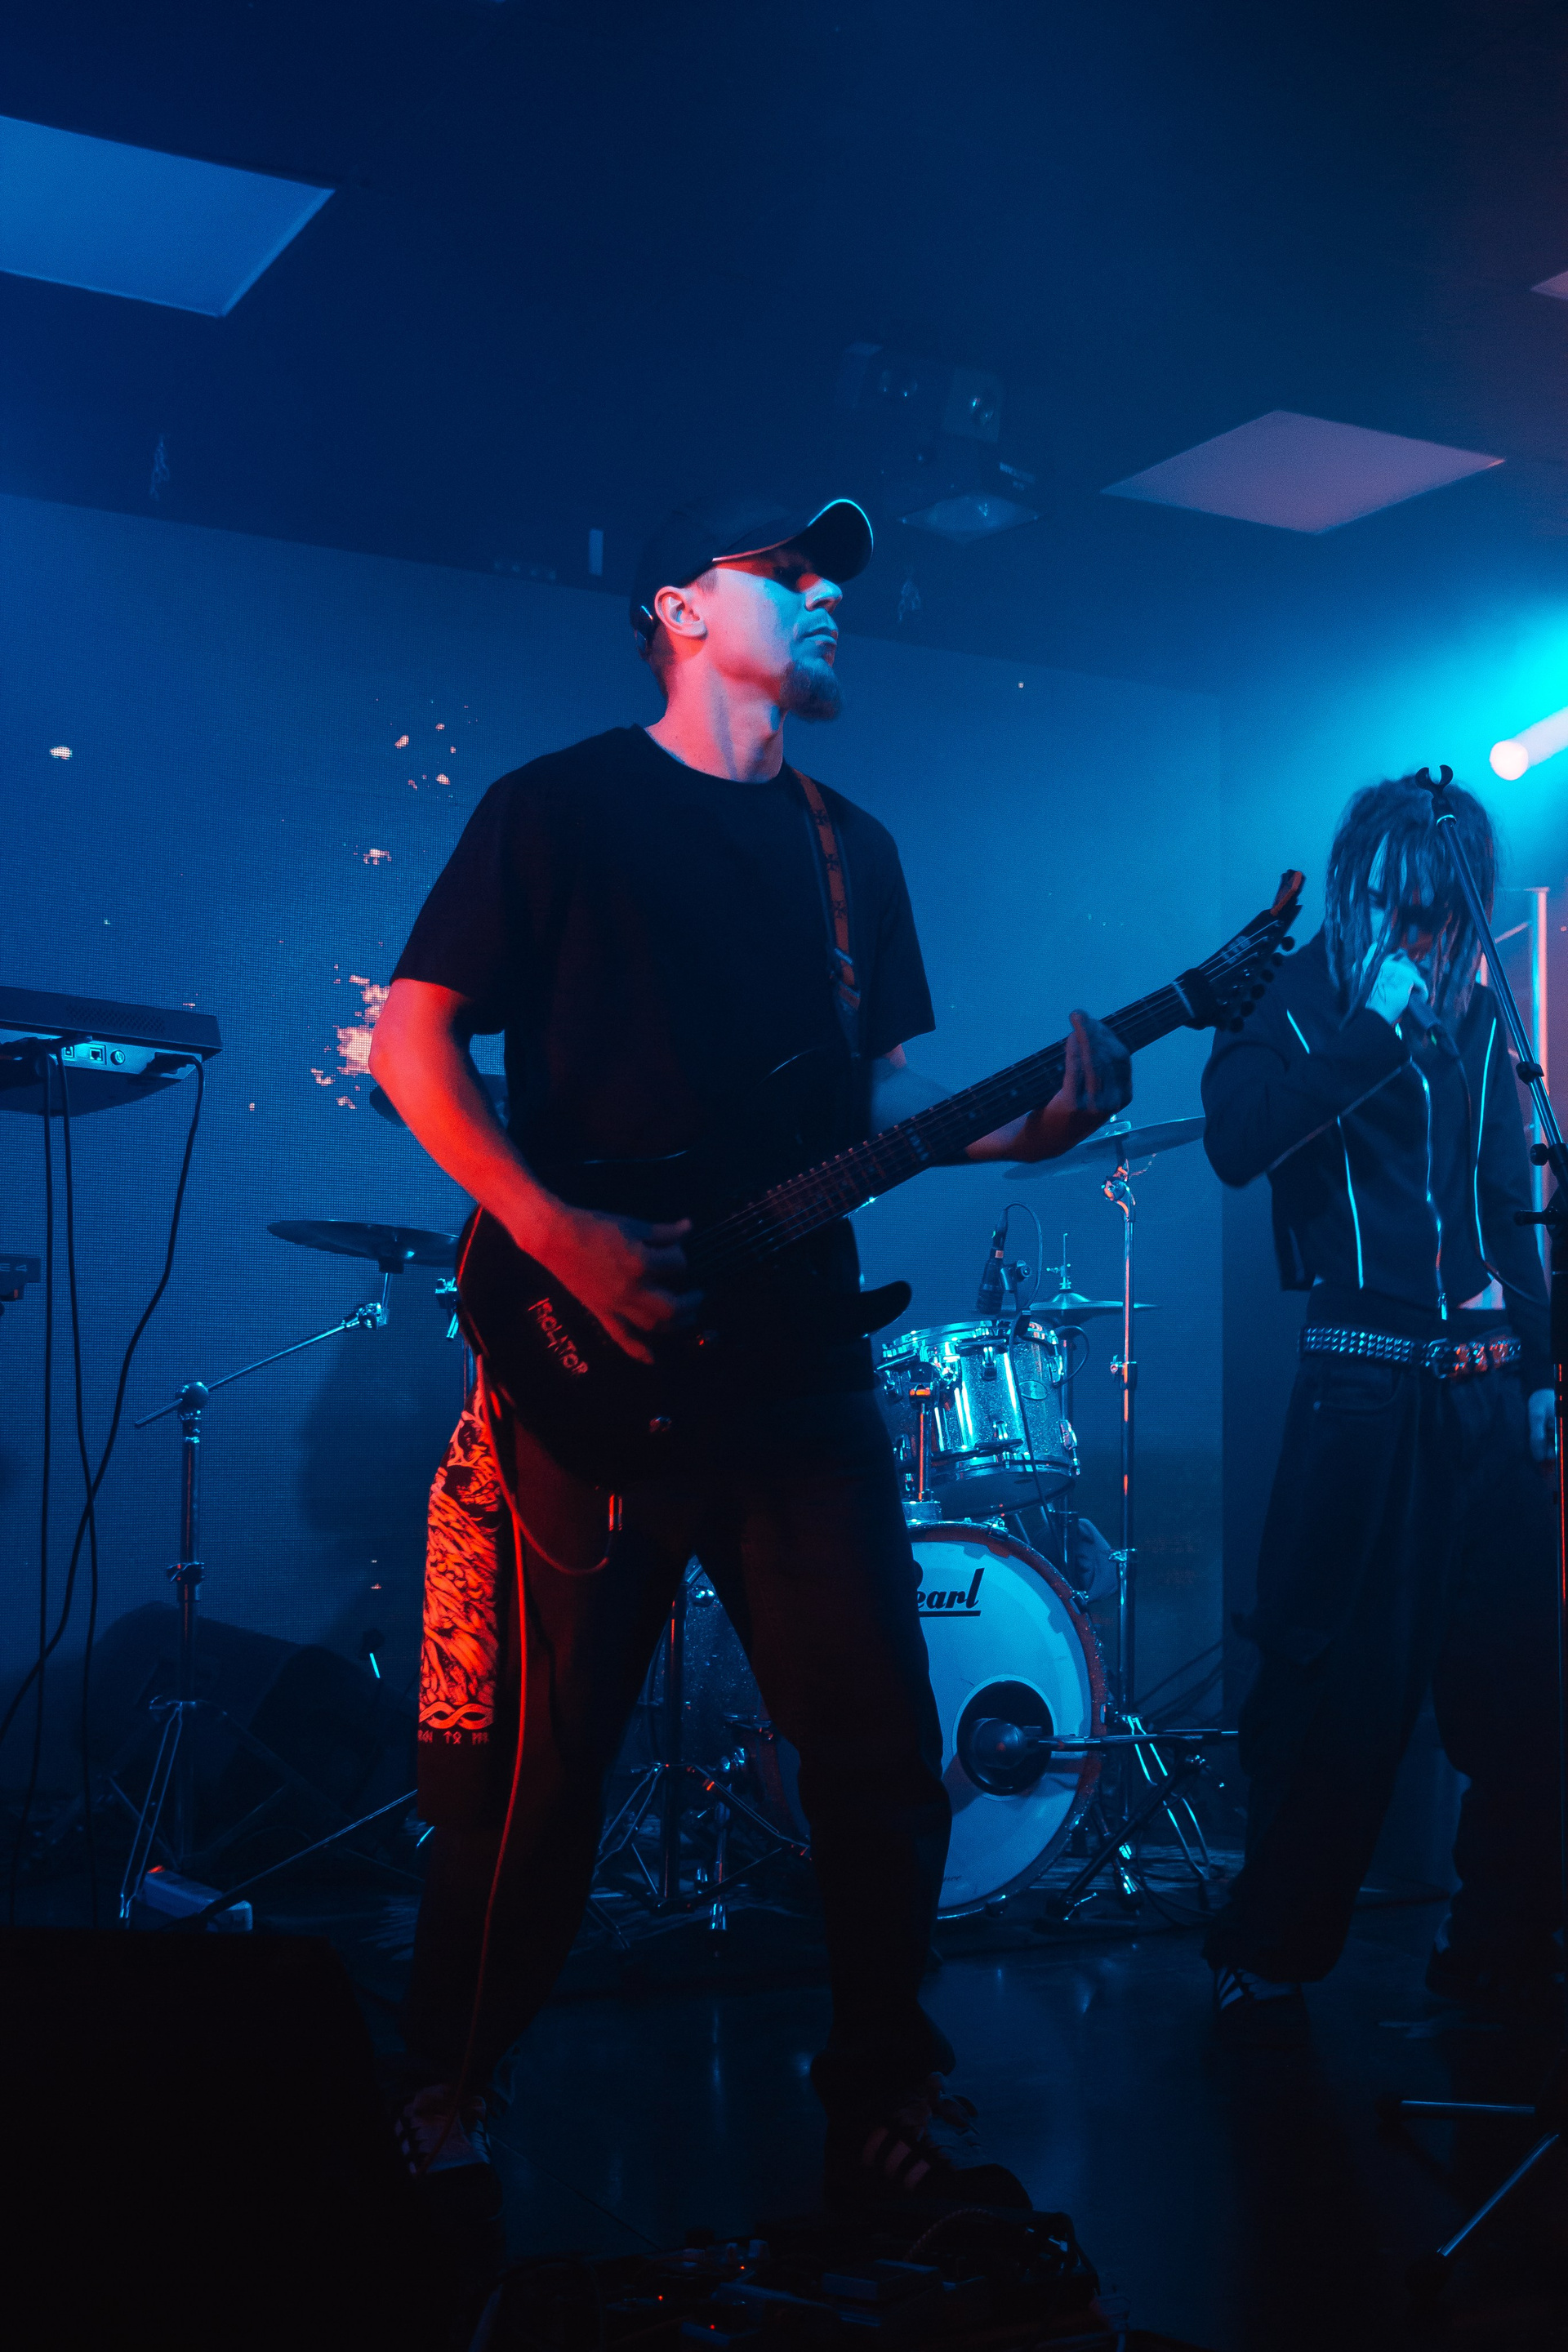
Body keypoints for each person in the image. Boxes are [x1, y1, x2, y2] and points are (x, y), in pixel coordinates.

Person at [368, 490, 1133, 2203]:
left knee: (880, 1762)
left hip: (797, 1370)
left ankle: (884, 2098)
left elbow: (887, 1103)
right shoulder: (557, 808)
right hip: (591, 1359)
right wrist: (560, 1231)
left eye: (834, 578)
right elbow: (414, 1043)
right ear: (678, 607)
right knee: (544, 1774)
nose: (825, 597)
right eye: (785, 574)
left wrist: (1047, 1121)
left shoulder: (855, 854)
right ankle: (447, 2082)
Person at [1200, 772, 1561, 2048]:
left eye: (1445, 915)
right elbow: (1236, 1142)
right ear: (1361, 891)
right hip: (1360, 1384)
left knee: (1526, 1692)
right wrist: (1369, 1033)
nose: (1427, 938)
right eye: (1406, 911)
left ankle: (1500, 1948)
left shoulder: (1479, 1009)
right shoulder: (1291, 995)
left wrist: (1543, 1368)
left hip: (1486, 1382)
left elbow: (1510, 1198)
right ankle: (1269, 1954)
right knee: (1336, 1694)